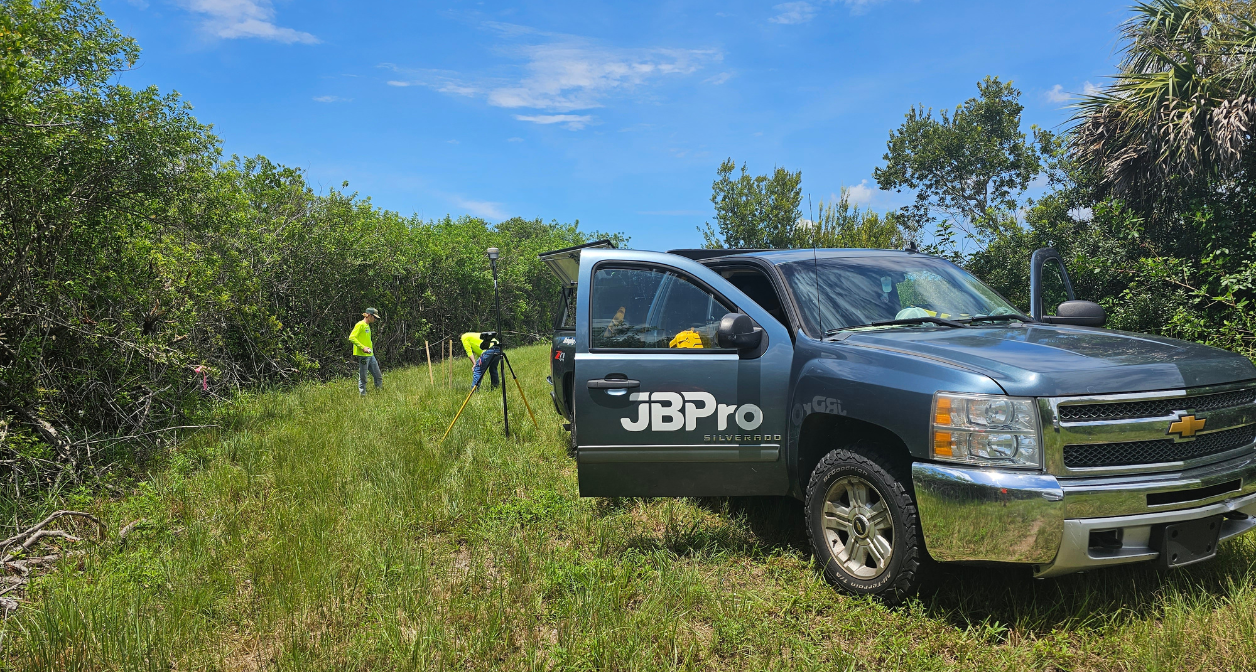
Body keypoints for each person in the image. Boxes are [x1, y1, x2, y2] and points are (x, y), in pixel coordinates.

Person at [349, 308, 383, 396]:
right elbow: (352, 337)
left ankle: (379, 393)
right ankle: (362, 395)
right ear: (369, 315)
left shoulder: (367, 325)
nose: (375, 319)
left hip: (370, 355)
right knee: (363, 377)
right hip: (363, 355)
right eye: (374, 317)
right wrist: (363, 347)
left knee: (378, 375)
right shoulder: (360, 325)